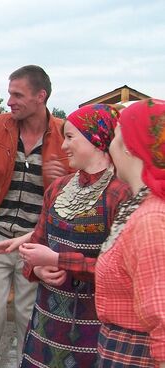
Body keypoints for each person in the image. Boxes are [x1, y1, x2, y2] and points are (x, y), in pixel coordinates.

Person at [0, 104, 131, 367]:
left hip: (93, 330)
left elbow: (122, 273)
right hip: (46, 324)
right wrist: (36, 268)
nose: (63, 146)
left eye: (71, 137)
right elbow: (38, 244)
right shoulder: (58, 188)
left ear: (96, 139)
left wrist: (58, 260)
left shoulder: (120, 195)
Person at [0, 65, 70, 368]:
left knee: (29, 314)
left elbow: (78, 190)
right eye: (9, 92)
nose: (9, 101)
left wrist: (63, 178)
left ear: (41, 96)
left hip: (36, 241)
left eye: (17, 94)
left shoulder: (64, 132)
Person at [95, 99, 165, 367]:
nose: (109, 145)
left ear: (128, 145)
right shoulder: (141, 206)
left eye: (114, 136)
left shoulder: (151, 219)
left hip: (138, 354)